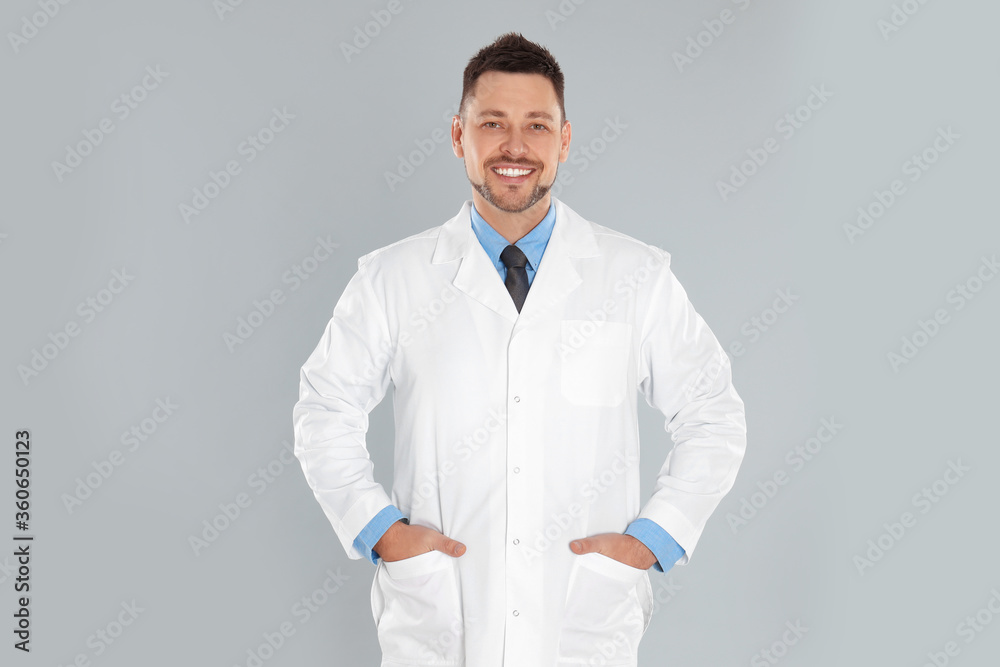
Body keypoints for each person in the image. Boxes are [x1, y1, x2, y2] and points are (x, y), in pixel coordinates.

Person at [292, 32, 747, 667]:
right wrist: (381, 532)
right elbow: (324, 411)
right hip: (439, 619)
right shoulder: (392, 278)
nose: (515, 146)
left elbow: (712, 414)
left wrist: (656, 537)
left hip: (582, 620)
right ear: (458, 136)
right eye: (492, 123)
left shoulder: (634, 276)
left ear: (564, 139)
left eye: (537, 124)